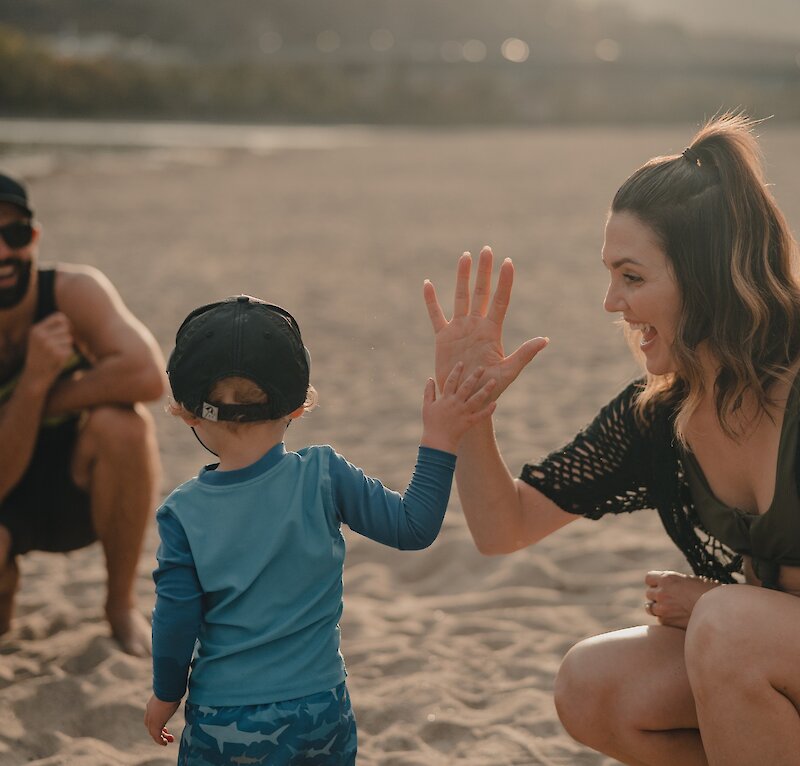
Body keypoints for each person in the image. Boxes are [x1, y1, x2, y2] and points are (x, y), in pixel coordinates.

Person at [423, 113, 800, 765]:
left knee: (726, 627)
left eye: (632, 277)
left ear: (703, 276)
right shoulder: (659, 415)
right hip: (771, 651)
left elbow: (736, 621)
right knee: (594, 686)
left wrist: (719, 601)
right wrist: (471, 412)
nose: (610, 302)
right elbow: (503, 527)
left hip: (759, 640)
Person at [144, 295, 496, 763]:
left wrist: (166, 695)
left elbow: (176, 620)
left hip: (226, 718)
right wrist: (439, 439)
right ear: (296, 405)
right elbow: (414, 527)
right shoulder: (324, 475)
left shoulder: (183, 512)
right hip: (320, 710)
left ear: (187, 411)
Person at [0, 172, 164, 657]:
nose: (3, 254)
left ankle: (119, 606)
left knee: (125, 425)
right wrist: (30, 384)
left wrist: (49, 395)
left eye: (14, 235)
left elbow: (148, 375)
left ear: (34, 237)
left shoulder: (73, 293)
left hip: (78, 489)